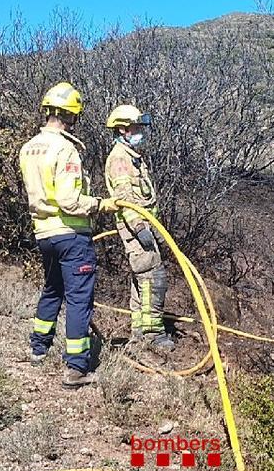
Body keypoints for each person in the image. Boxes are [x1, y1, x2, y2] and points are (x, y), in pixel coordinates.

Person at [18, 81, 118, 388]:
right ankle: (77, 367)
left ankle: (38, 348)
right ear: (72, 115)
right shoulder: (65, 148)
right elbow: (69, 200)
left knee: (52, 289)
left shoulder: (29, 146)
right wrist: (102, 204)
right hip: (70, 234)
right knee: (79, 299)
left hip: (43, 233)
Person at [103, 104, 175, 352]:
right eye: (136, 127)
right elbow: (126, 199)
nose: (140, 132)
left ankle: (139, 330)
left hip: (146, 226)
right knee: (153, 278)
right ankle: (152, 332)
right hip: (135, 229)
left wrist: (155, 229)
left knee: (142, 279)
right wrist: (139, 227)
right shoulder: (121, 160)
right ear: (122, 129)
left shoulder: (133, 157)